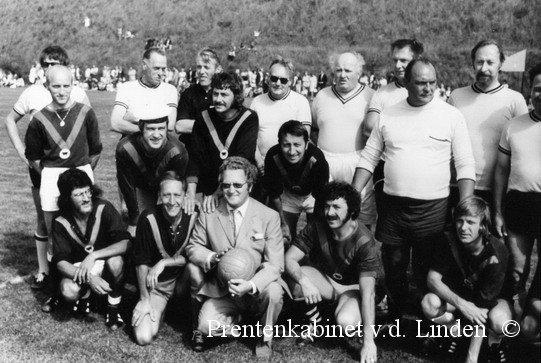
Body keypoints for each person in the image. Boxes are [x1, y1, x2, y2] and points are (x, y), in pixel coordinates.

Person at [352, 59, 475, 320]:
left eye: (432, 82)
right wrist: (354, 194)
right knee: (394, 266)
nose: (428, 88)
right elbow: (369, 157)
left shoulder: (450, 115)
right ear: (406, 83)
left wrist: (465, 206)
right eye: (420, 82)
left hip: (433, 209)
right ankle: (399, 313)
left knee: (426, 270)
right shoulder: (389, 114)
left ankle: (425, 320)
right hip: (394, 208)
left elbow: (465, 163)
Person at [4, 46, 90, 290]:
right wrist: (23, 152)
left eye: (55, 63)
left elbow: (88, 124)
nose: (50, 68)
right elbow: (10, 120)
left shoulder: (78, 93)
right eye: (46, 64)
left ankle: (78, 264)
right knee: (44, 217)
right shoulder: (32, 92)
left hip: (71, 165)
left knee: (78, 213)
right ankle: (44, 269)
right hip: (42, 166)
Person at [185, 157, 284, 357]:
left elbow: (276, 265)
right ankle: (241, 325)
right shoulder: (209, 211)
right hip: (223, 290)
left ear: (250, 185)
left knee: (274, 291)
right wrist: (212, 257)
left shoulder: (269, 216)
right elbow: (193, 246)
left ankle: (264, 337)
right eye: (226, 185)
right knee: (205, 326)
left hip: (256, 288)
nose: (231, 190)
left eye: (238, 185)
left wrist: (251, 285)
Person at [284, 181, 380, 363]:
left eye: (336, 207)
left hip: (354, 289)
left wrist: (369, 342)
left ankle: (351, 320)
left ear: (352, 210)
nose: (330, 213)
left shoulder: (365, 242)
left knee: (346, 322)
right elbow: (289, 259)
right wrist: (304, 282)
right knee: (294, 278)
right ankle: (316, 320)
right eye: (327, 206)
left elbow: (369, 294)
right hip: (328, 283)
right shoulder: (316, 226)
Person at [421, 196, 512, 363]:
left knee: (501, 323)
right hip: (462, 297)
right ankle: (456, 332)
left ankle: (494, 342)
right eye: (460, 221)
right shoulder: (448, 239)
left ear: (483, 227)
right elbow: (432, 280)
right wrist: (462, 305)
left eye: (470, 222)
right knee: (429, 303)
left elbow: (481, 309)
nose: (463, 228)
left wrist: (471, 358)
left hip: (492, 302)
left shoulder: (496, 254)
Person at [448, 40, 528, 205]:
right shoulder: (456, 97)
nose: (484, 68)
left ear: (501, 64)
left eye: (490, 62)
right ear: (473, 64)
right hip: (457, 187)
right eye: (479, 62)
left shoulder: (515, 100)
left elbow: (522, 151)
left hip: (495, 193)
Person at [51, 168, 130, 330]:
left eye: (88, 191)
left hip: (105, 262)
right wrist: (89, 278)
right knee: (68, 290)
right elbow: (61, 263)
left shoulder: (104, 208)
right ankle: (85, 295)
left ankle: (113, 306)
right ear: (67, 198)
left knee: (116, 261)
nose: (87, 198)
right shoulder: (60, 220)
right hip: (81, 269)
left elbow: (125, 243)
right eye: (79, 194)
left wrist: (94, 255)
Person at [493, 62, 541, 317]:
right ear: (530, 92)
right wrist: (499, 211)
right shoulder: (513, 125)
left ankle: (532, 321)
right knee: (516, 270)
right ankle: (510, 323)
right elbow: (501, 171)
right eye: (537, 88)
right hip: (519, 204)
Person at [131, 172, 199, 345]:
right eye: (166, 195)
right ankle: (162, 308)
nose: (172, 201)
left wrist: (164, 262)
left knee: (195, 269)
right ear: (160, 196)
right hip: (159, 286)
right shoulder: (148, 218)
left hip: (184, 283)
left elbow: (196, 254)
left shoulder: (195, 215)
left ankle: (192, 317)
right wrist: (144, 299)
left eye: (177, 195)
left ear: (185, 196)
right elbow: (141, 262)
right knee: (143, 337)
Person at [311, 51, 376, 225]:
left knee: (360, 217)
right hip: (326, 162)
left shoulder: (370, 96)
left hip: (358, 162)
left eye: (348, 70)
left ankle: (361, 252)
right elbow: (314, 129)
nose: (342, 75)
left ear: (359, 72)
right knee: (326, 215)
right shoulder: (321, 95)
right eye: (338, 70)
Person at [362, 39, 424, 215]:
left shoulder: (429, 92)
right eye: (395, 60)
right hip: (387, 168)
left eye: (403, 60)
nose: (397, 65)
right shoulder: (383, 93)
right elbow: (368, 129)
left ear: (417, 59)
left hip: (419, 170)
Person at [185, 72, 258, 214]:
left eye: (224, 95)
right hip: (208, 183)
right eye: (215, 94)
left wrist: (218, 193)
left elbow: (243, 159)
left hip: (235, 184)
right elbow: (194, 157)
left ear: (236, 96)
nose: (218, 99)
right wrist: (191, 193)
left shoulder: (249, 118)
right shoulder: (203, 117)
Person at [115, 116, 189, 236]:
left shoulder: (178, 151)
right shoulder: (125, 148)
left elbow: (174, 186)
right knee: (140, 225)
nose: (156, 135)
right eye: (150, 129)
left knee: (165, 224)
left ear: (167, 129)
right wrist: (134, 221)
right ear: (141, 128)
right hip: (140, 187)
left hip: (165, 189)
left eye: (161, 128)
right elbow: (126, 184)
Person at [263, 120, 329, 244]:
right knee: (282, 239)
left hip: (313, 196)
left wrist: (315, 228)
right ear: (279, 144)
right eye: (286, 145)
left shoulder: (318, 159)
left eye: (297, 145)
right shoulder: (273, 156)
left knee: (319, 238)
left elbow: (321, 197)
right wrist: (282, 223)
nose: (292, 151)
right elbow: (274, 195)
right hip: (287, 194)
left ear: (306, 144)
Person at [250, 58, 311, 174]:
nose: (278, 83)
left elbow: (304, 139)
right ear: (268, 79)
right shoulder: (256, 102)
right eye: (274, 78)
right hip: (262, 166)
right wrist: (259, 161)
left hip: (291, 168)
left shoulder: (301, 102)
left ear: (291, 81)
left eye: (283, 80)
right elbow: (251, 137)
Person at [110, 47, 178, 135]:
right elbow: (115, 123)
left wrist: (132, 117)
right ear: (144, 65)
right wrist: (156, 124)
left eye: (163, 69)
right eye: (156, 68)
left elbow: (170, 125)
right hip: (133, 142)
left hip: (159, 144)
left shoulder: (170, 90)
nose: (161, 73)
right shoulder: (126, 88)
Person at [175, 48, 223, 152]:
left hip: (220, 151)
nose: (201, 72)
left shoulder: (225, 94)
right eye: (199, 67)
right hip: (193, 153)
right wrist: (216, 126)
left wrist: (193, 125)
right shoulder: (188, 93)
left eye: (206, 67)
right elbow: (180, 126)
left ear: (218, 69)